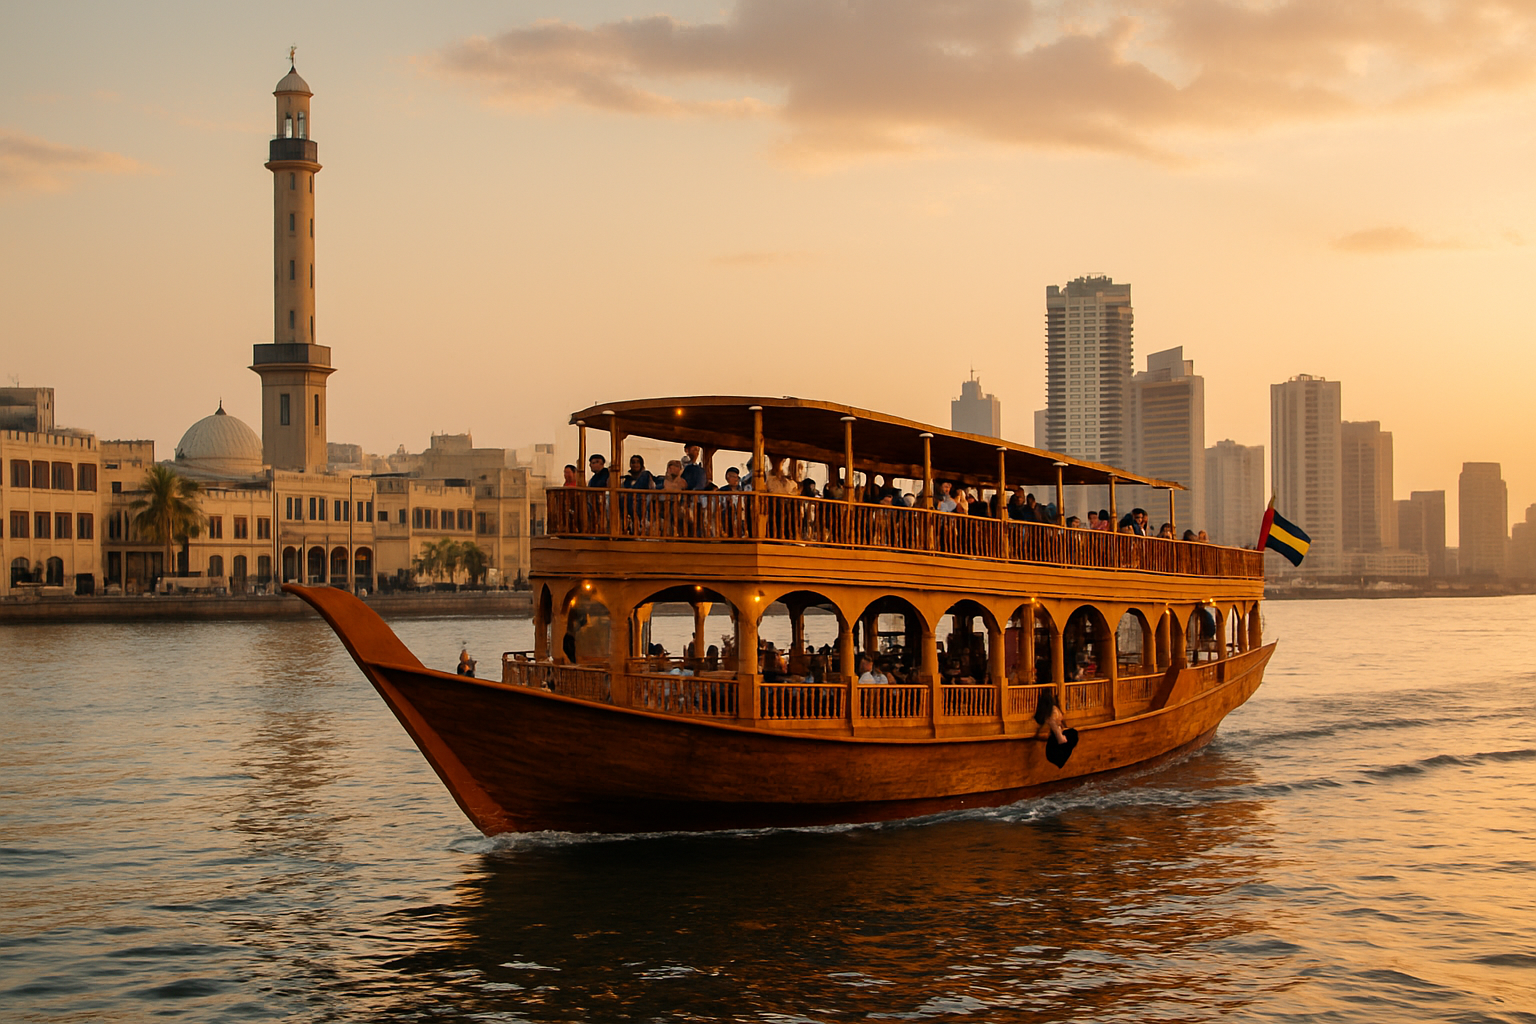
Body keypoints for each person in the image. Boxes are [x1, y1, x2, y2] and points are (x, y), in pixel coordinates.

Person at [1034, 689, 1078, 768]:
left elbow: (1059, 731)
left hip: (1055, 744)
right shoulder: (1052, 715)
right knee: (1072, 734)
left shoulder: (1052, 713)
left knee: (1072, 734)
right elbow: (1057, 732)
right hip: (1054, 748)